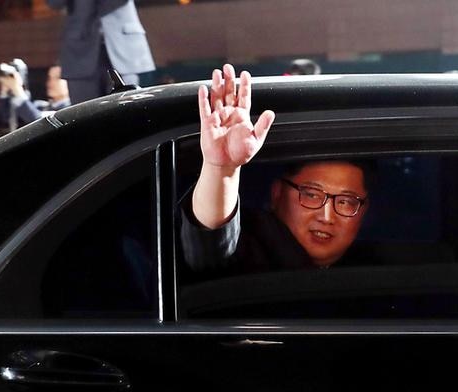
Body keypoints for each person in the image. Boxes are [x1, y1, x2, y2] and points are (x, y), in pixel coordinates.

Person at [181, 64, 369, 276]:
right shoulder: (254, 253)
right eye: (311, 195)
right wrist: (221, 170)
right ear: (277, 193)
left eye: (345, 202)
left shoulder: (377, 271)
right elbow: (209, 253)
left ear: (364, 210)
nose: (326, 217)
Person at [47, 0, 155, 104]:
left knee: (128, 113)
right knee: (84, 116)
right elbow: (54, 3)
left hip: (124, 45)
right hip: (79, 49)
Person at [0, 62, 71, 130]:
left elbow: (39, 120)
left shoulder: (70, 108)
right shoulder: (41, 106)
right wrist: (6, 89)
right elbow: (7, 117)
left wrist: (17, 89)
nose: (51, 82)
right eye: (49, 78)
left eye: (57, 78)